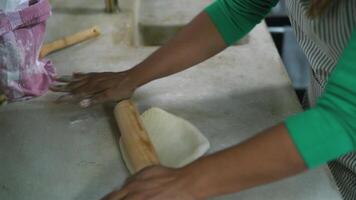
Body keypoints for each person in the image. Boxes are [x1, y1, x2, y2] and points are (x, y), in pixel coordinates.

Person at [52, 0, 356, 199]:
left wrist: (186, 182)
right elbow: (239, 9)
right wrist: (131, 78)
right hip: (318, 135)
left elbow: (342, 117)